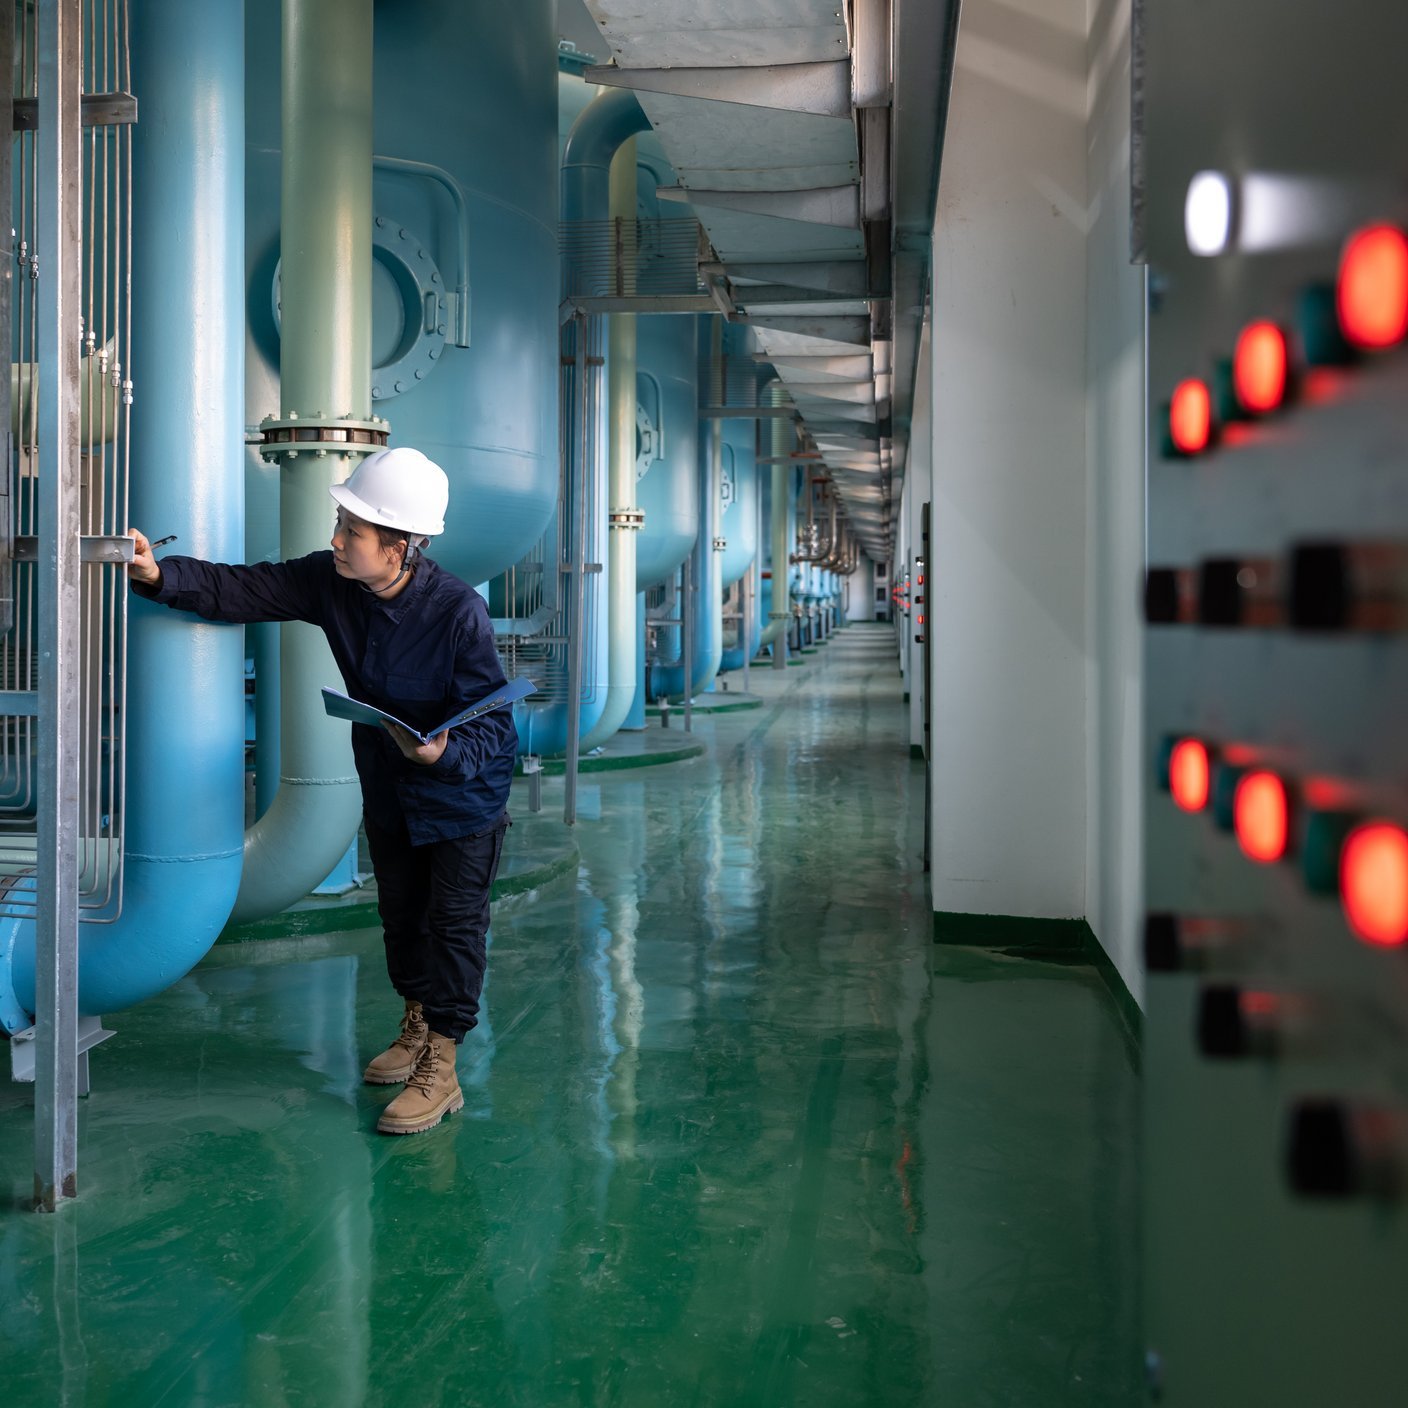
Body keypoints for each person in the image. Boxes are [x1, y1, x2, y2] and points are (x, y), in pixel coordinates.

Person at [126, 446, 518, 1136]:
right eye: (340, 522)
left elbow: (497, 728)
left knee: (453, 925)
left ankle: (444, 1064)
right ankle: (417, 1022)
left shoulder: (458, 613)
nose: (337, 540)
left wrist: (445, 750)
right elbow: (242, 588)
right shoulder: (331, 581)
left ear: (400, 547)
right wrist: (159, 574)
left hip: (462, 800)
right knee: (400, 913)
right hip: (392, 785)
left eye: (355, 531)